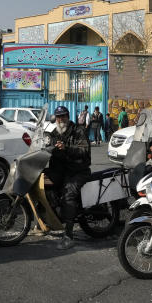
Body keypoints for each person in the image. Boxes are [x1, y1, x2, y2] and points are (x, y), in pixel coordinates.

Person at [47, 105, 91, 250]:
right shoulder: (55, 132)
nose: (61, 119)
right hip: (63, 170)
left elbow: (83, 150)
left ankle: (69, 235)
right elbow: (47, 145)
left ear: (68, 116)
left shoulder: (79, 130)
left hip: (78, 170)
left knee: (68, 195)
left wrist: (66, 148)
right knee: (46, 184)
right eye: (58, 117)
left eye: (63, 116)